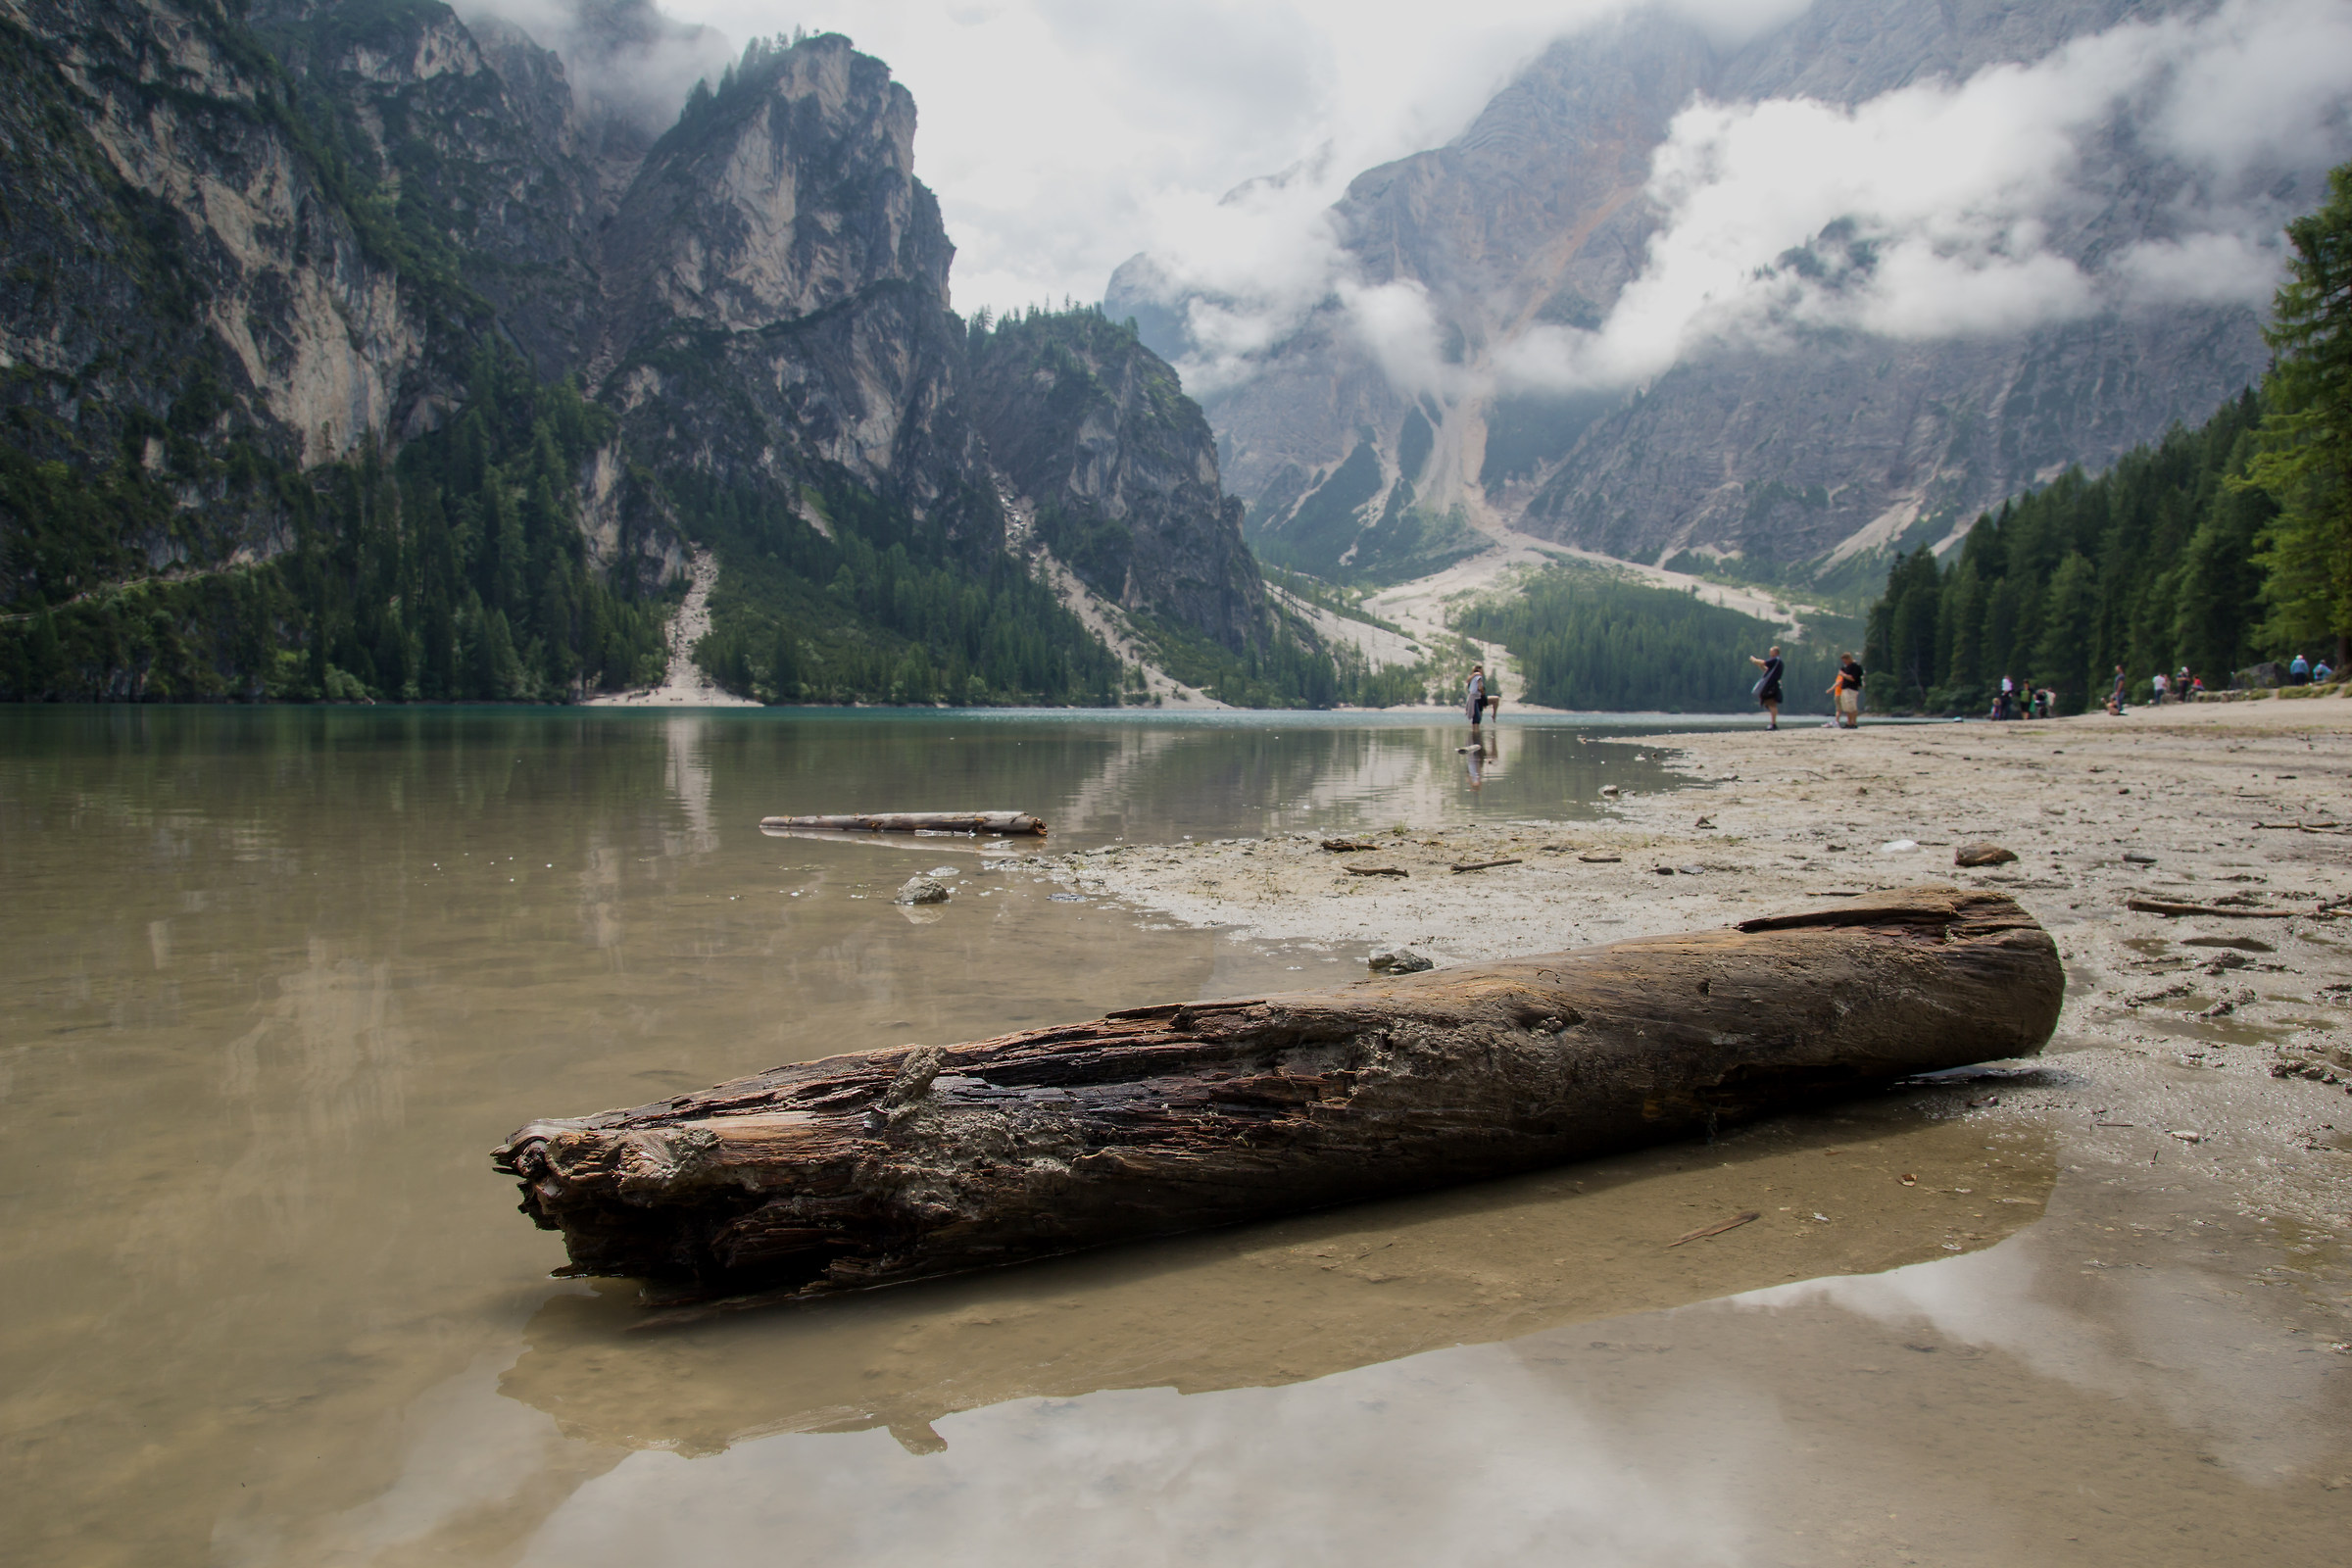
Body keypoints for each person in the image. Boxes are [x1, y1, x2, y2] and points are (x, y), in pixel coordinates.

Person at [1747, 645, 1785, 730]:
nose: (1769, 653)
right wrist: (1759, 664)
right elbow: (1766, 669)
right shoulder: (1778, 662)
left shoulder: (1776, 660)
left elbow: (1763, 663)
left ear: (1775, 652)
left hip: (1771, 686)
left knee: (1772, 704)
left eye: (1771, 651)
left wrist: (1754, 660)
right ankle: (1773, 723)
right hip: (1773, 685)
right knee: (1770, 704)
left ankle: (1773, 724)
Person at [1463, 663, 1486, 728]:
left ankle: (1475, 734)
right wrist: (1482, 692)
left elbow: (1467, 681)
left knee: (1476, 715)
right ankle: (1475, 734)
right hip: (1475, 697)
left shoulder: (1473, 677)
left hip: (1473, 696)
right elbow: (1480, 687)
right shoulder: (1479, 677)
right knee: (1477, 717)